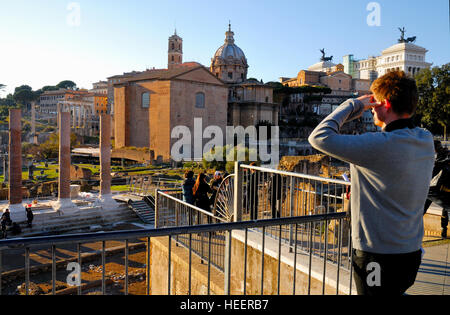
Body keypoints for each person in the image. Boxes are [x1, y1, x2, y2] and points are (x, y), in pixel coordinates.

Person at [309, 71, 435, 296]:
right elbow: (391, 177)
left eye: (374, 102)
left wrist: (354, 104)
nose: (372, 108)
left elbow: (318, 137)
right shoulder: (425, 139)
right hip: (411, 251)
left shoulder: (377, 144)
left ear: (385, 104)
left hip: (378, 255)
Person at [424, 141, 450, 238]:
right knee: (446, 206)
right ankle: (444, 229)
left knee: (423, 209)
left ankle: (444, 229)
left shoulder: (437, 157)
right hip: (435, 188)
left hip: (433, 187)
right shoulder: (443, 155)